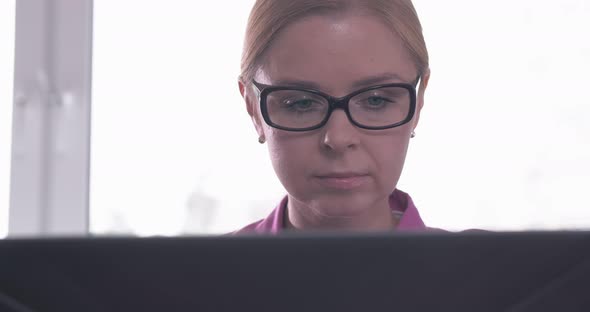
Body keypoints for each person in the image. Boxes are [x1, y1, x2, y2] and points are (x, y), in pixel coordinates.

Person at [235, 0, 436, 233]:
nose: (338, 139)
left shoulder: (485, 267)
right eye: (301, 103)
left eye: (375, 100)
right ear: (252, 106)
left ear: (419, 100)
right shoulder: (196, 269)